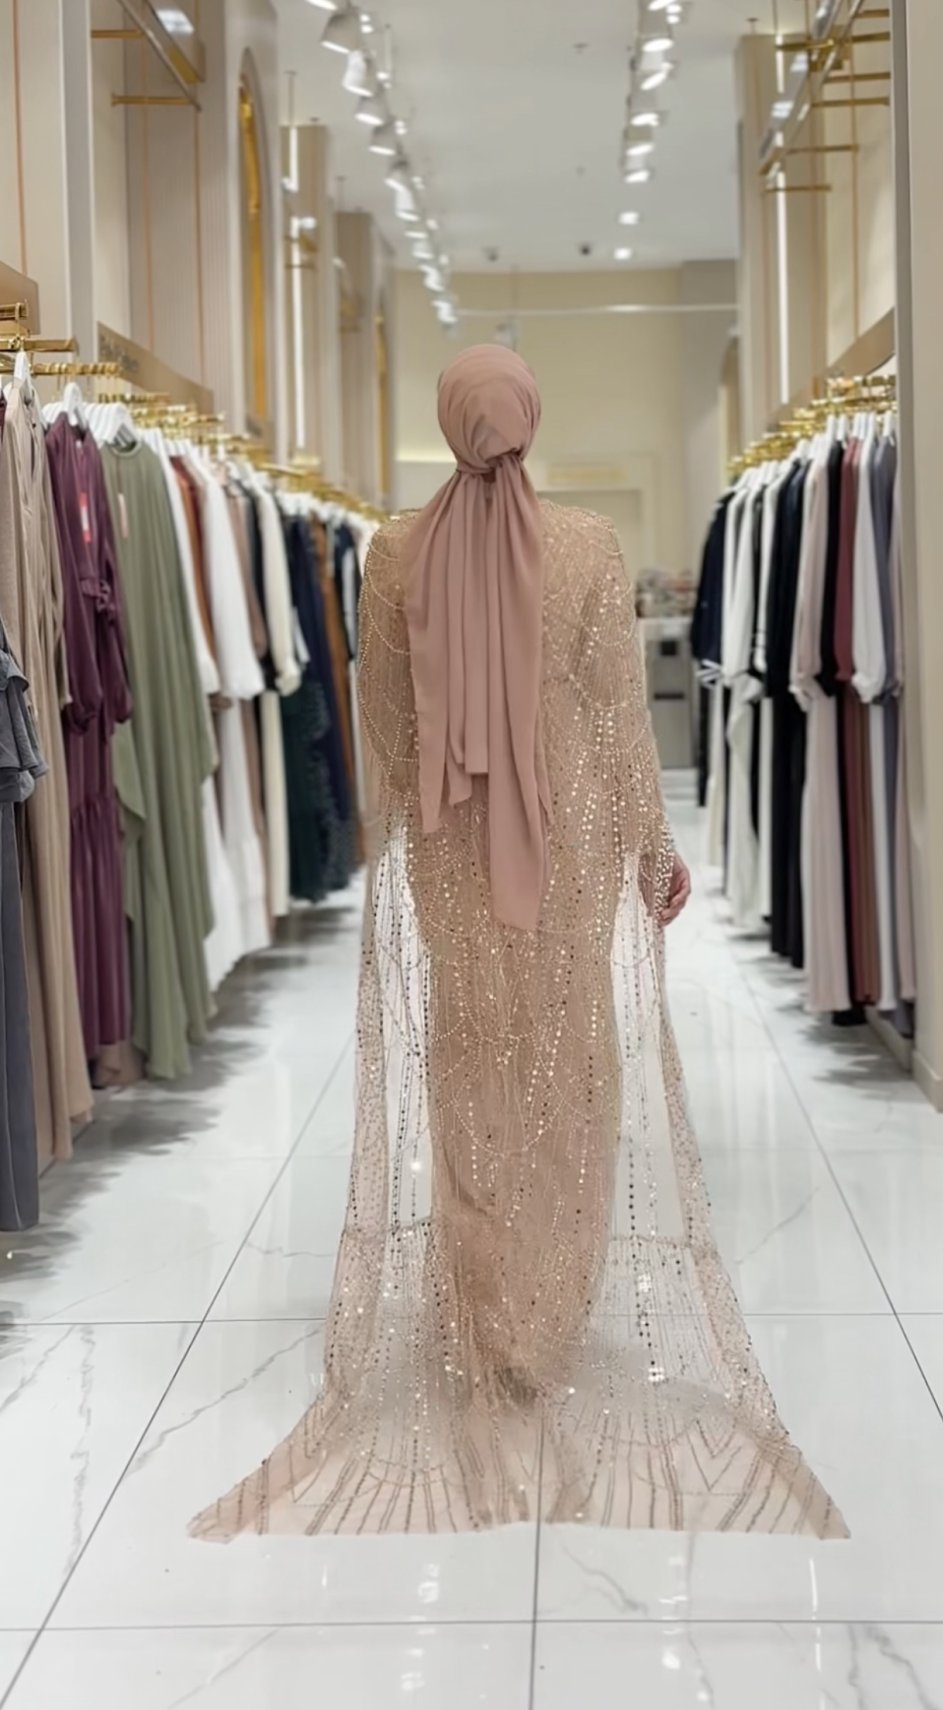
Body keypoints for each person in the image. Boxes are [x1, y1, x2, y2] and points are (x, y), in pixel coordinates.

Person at [192, 346, 845, 1542]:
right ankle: (548, 1309)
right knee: (570, 1057)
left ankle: (490, 1310)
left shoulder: (396, 552)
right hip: (569, 838)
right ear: (529, 421)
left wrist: (427, 801)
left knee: (474, 1058)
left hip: (451, 842)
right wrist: (648, 842)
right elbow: (616, 714)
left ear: (451, 423)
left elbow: (386, 717)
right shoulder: (586, 545)